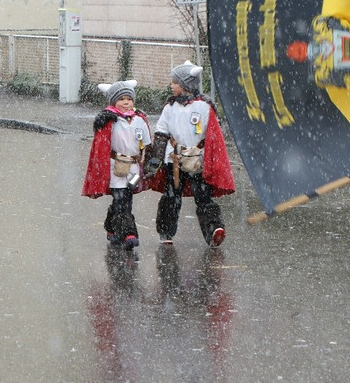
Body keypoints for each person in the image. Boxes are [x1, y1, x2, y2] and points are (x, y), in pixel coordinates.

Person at [146, 61, 235, 247]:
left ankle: (213, 230)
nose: (171, 85)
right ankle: (166, 231)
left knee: (203, 197)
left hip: (197, 160)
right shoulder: (169, 107)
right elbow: (161, 133)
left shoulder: (204, 107)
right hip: (174, 160)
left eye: (175, 82)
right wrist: (154, 161)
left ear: (186, 85)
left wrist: (211, 159)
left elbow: (212, 135)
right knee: (171, 196)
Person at [82, 80, 152, 249]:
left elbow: (146, 143)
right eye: (121, 99)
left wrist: (150, 162)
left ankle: (112, 226)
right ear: (113, 101)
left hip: (133, 168)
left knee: (126, 199)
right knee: (121, 200)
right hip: (116, 167)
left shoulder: (139, 120)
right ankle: (129, 233)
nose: (126, 102)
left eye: (129, 98)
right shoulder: (108, 121)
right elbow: (101, 147)